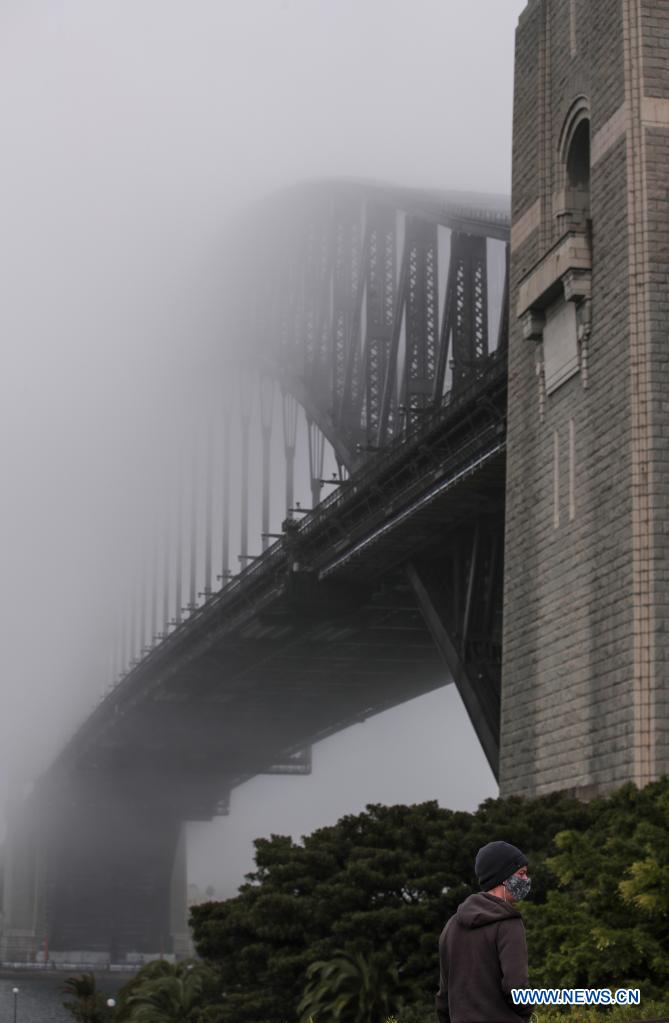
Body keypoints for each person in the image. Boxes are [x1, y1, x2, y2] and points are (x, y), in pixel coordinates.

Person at [435, 840, 533, 1023]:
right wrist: (527, 1013)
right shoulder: (509, 922)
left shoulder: (451, 926)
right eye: (522, 874)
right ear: (504, 878)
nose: (526, 880)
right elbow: (516, 987)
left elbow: (444, 997)